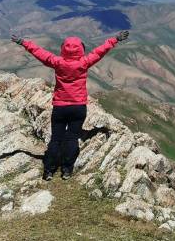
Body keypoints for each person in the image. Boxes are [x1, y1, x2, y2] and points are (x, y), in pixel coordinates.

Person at [10, 30, 129, 180]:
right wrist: (115, 39)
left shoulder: (57, 62)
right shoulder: (84, 62)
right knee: (72, 138)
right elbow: (99, 52)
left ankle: (49, 171)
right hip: (78, 107)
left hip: (60, 107)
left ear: (63, 49)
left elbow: (40, 53)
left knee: (56, 139)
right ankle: (66, 170)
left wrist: (24, 42)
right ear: (81, 49)